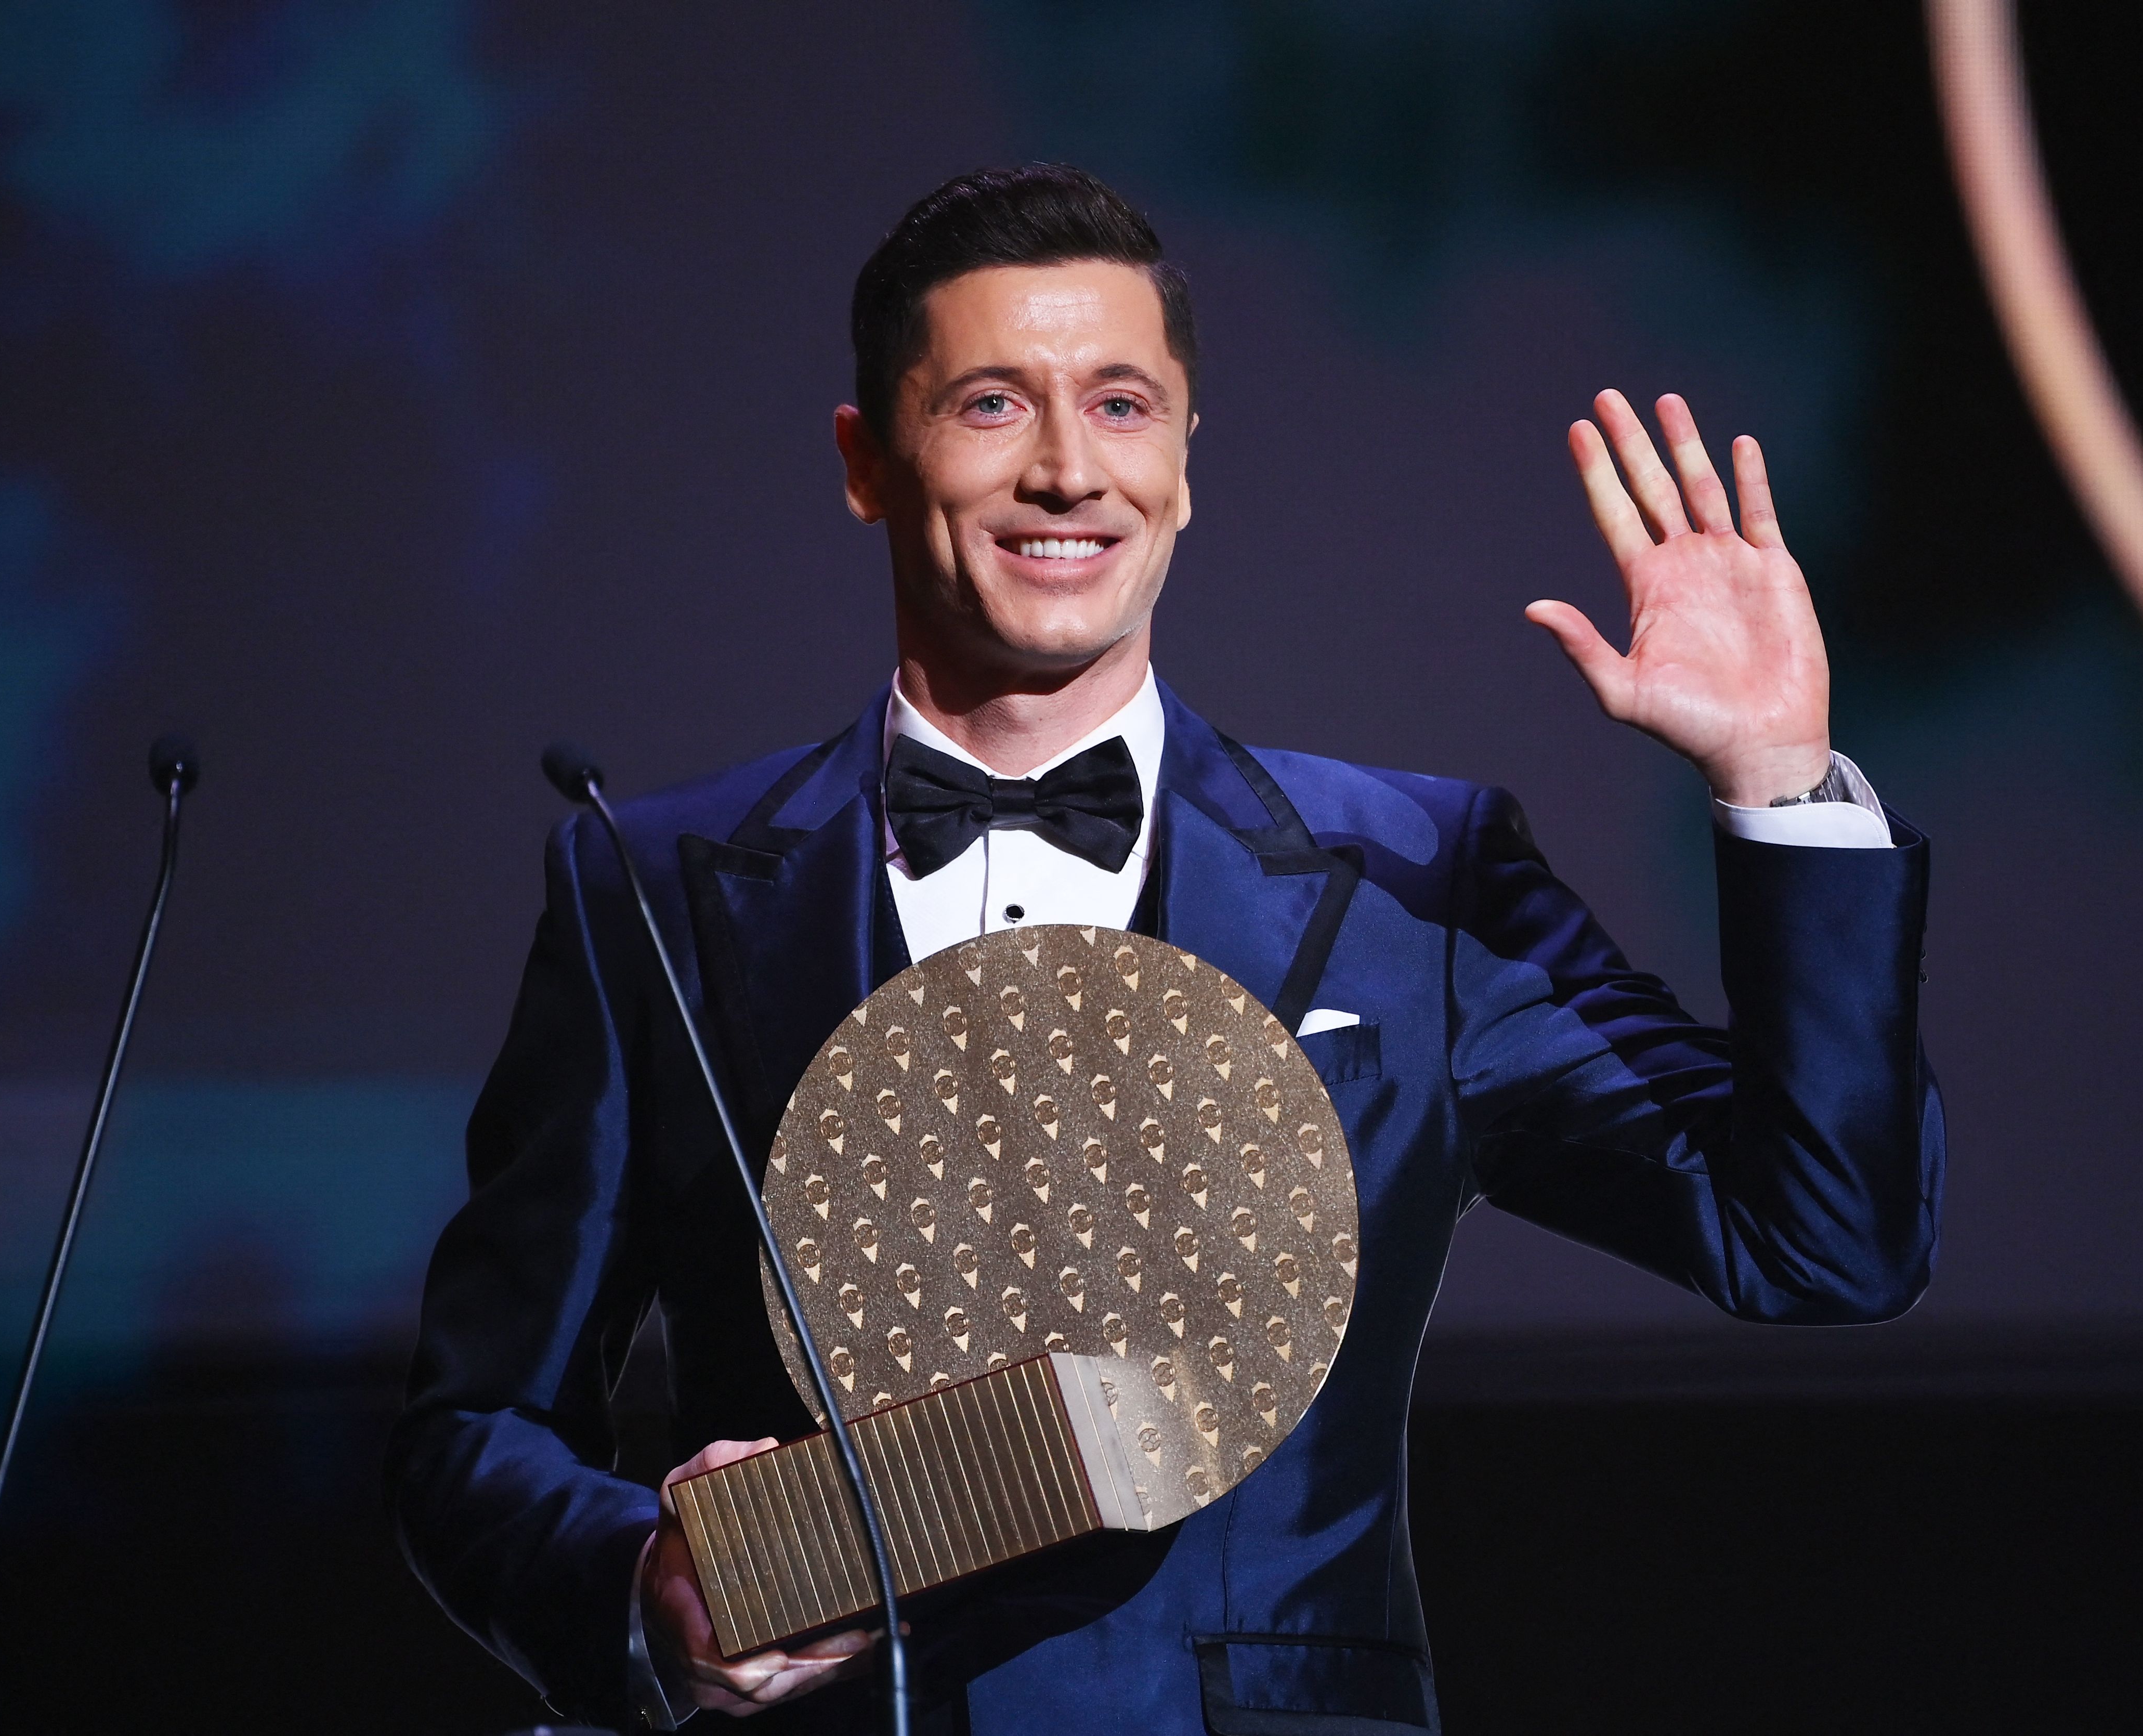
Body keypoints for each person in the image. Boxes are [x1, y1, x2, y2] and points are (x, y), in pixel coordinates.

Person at [388, 164, 1942, 1734]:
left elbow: (1819, 1238)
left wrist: (1780, 780)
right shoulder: (648, 888)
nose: (1070, 470)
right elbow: (475, 1428)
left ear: (1188, 459)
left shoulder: (1420, 882)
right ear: (868, 459)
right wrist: (647, 1589)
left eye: (1123, 406)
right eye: (993, 404)